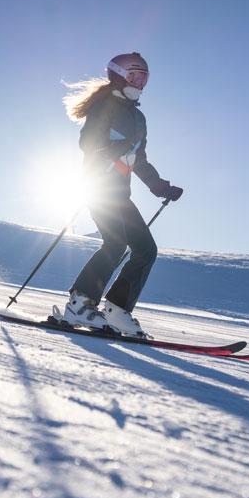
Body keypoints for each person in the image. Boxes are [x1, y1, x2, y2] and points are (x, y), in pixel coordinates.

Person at [60, 53, 183, 337]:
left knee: (146, 250)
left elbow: (139, 160)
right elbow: (87, 142)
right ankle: (80, 303)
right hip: (98, 187)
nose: (140, 82)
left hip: (120, 194)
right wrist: (113, 149)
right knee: (115, 243)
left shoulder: (139, 118)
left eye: (144, 77)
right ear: (117, 75)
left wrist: (160, 187)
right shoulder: (104, 106)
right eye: (134, 75)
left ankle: (117, 309)